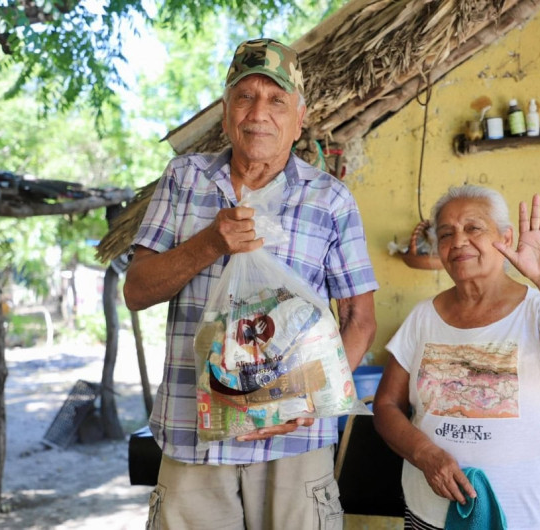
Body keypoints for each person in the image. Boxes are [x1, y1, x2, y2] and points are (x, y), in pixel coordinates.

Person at [123, 38, 378, 530]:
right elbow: (136, 291)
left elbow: (359, 318)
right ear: (226, 112)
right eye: (245, 97)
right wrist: (209, 244)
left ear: (298, 119)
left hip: (294, 440)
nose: (259, 112)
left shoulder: (330, 199)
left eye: (276, 99)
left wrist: (306, 404)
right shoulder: (184, 178)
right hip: (192, 434)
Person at [373, 185, 540, 529]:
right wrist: (425, 456)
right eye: (446, 233)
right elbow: (385, 407)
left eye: (473, 228)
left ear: (506, 237)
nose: (458, 241)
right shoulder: (422, 318)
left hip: (532, 516)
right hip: (433, 514)